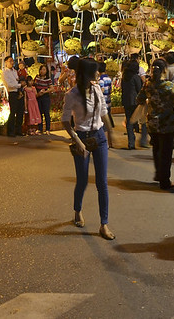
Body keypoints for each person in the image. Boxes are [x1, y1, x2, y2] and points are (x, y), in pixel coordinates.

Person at [62, 58, 117, 240]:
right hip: (82, 138)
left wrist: (110, 133)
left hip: (99, 137)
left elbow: (103, 113)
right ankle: (77, 210)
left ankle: (104, 224)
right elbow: (64, 120)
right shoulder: (72, 94)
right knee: (83, 180)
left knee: (102, 182)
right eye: (95, 71)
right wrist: (76, 140)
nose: (98, 73)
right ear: (87, 74)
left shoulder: (96, 89)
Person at [137, 58, 174, 191]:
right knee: (166, 153)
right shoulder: (169, 86)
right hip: (167, 123)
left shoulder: (148, 84)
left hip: (152, 123)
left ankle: (159, 174)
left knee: (156, 149)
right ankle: (165, 181)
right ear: (165, 70)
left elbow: (139, 99)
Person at [121, 59, 148, 150]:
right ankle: (143, 140)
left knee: (129, 121)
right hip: (135, 101)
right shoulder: (136, 77)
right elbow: (140, 89)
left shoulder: (124, 77)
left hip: (126, 101)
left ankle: (131, 142)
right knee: (142, 120)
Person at [2, 56, 24, 138]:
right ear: (6, 62)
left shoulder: (15, 71)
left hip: (19, 92)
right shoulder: (5, 73)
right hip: (12, 93)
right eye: (10, 61)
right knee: (13, 112)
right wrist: (19, 85)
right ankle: (10, 131)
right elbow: (9, 85)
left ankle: (18, 130)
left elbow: (17, 79)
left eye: (12, 61)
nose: (12, 62)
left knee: (20, 112)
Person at [34, 65, 53, 133]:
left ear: (46, 71)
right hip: (38, 97)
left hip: (45, 97)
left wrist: (45, 91)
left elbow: (51, 88)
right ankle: (40, 128)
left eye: (44, 69)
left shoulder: (48, 79)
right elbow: (34, 86)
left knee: (46, 113)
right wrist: (37, 94)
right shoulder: (37, 78)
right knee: (39, 113)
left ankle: (48, 129)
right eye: (41, 69)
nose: (42, 71)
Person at [98, 62, 115, 135]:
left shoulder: (101, 79)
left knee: (103, 121)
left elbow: (101, 90)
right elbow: (110, 90)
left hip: (103, 102)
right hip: (108, 101)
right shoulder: (108, 78)